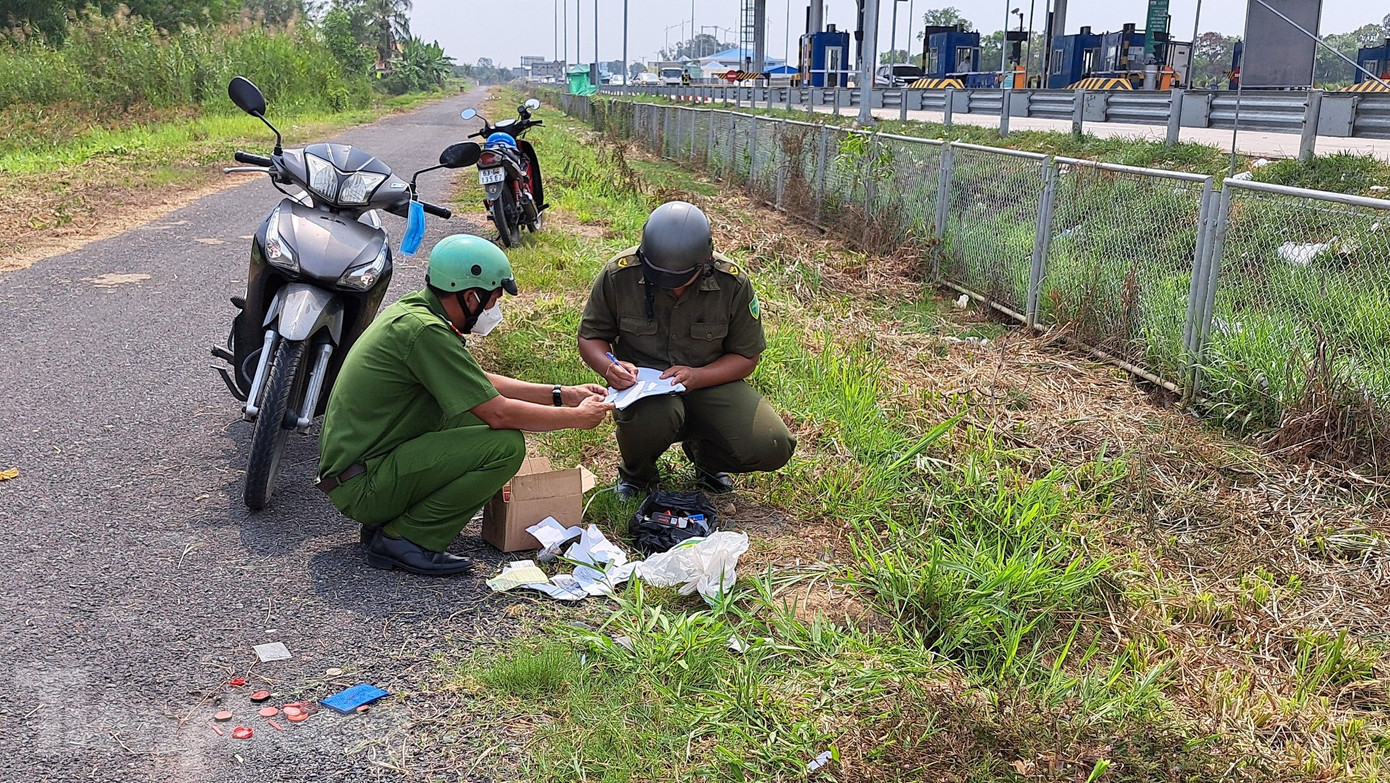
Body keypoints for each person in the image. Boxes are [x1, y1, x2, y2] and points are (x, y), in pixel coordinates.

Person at [317, 234, 612, 576]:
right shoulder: (424, 332)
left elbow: (475, 379)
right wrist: (575, 418)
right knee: (503, 446)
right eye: (492, 300)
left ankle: (390, 519)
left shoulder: (416, 313)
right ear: (471, 295)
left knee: (468, 421)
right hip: (363, 487)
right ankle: (407, 538)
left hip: (361, 470)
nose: (494, 309)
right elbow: (498, 412)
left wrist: (561, 393)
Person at [577, 201, 795, 500]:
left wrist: (698, 376)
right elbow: (591, 337)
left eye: (681, 278)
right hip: (644, 390)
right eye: (660, 276)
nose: (671, 287)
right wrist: (609, 366)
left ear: (705, 259)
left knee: (772, 443)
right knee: (656, 416)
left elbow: (746, 357)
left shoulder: (731, 282)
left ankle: (706, 457)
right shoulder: (620, 275)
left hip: (710, 381)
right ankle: (637, 475)